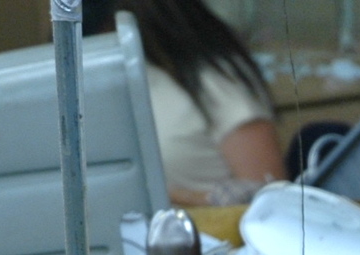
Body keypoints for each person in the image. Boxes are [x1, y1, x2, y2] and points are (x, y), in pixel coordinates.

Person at [115, 0, 286, 205]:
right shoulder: (118, 78)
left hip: (211, 231)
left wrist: (164, 195)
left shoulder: (217, 80)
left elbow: (274, 203)